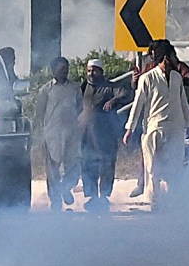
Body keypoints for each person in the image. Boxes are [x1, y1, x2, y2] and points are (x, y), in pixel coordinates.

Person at [123, 39, 189, 207]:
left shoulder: (176, 77)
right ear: (166, 58)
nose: (176, 59)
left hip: (175, 128)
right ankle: (154, 202)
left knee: (175, 167)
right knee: (153, 169)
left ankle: (173, 203)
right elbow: (138, 104)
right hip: (154, 129)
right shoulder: (147, 78)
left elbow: (183, 102)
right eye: (173, 55)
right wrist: (129, 129)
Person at [32, 58, 85, 211]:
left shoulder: (75, 88)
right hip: (52, 134)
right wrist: (38, 134)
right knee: (52, 168)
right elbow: (39, 113)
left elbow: (80, 108)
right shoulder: (45, 90)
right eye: (61, 68)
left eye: (66, 68)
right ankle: (55, 199)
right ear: (53, 70)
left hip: (71, 132)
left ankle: (66, 187)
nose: (64, 71)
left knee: (74, 165)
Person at [76, 59, 128, 211]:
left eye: (94, 70)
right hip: (85, 135)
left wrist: (113, 100)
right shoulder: (83, 87)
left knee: (106, 164)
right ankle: (91, 196)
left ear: (101, 72)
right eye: (89, 71)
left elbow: (124, 94)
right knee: (87, 164)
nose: (91, 74)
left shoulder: (109, 87)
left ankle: (104, 196)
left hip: (104, 135)